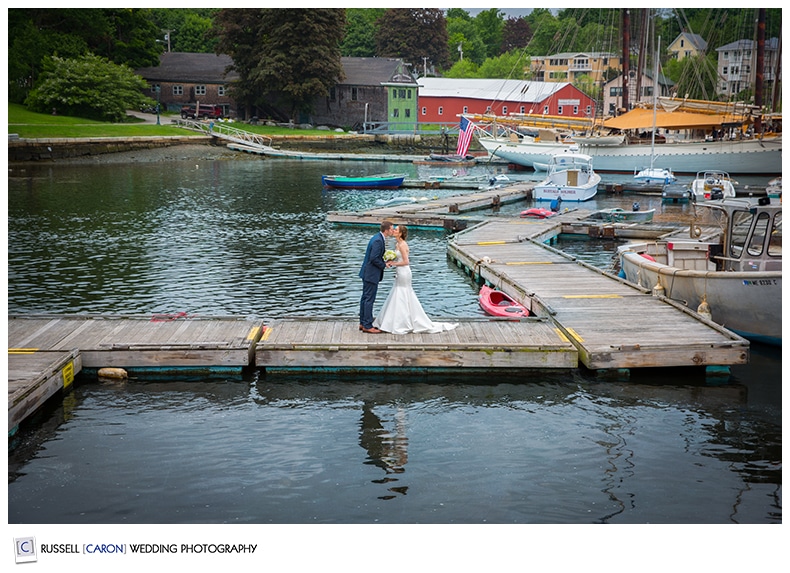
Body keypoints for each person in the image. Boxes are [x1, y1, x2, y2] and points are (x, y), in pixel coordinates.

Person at [373, 225, 459, 334]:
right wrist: (390, 259)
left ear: (400, 233)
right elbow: (398, 258)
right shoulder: (397, 244)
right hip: (399, 271)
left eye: (396, 230)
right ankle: (397, 320)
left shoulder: (403, 245)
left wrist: (393, 263)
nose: (393, 231)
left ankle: (403, 322)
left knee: (403, 292)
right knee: (397, 292)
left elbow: (406, 261)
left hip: (404, 272)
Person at [359, 220, 397, 334]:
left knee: (365, 298)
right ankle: (367, 325)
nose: (392, 231)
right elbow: (373, 258)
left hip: (368, 273)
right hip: (371, 274)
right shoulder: (378, 241)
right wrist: (384, 265)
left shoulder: (377, 238)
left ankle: (363, 321)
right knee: (369, 299)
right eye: (391, 229)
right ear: (386, 230)